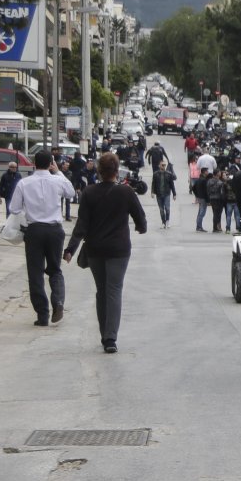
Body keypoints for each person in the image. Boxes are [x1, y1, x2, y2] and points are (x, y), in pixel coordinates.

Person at [64, 152, 147, 354]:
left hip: (96, 249)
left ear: (99, 172)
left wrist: (70, 249)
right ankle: (111, 338)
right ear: (117, 171)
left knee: (101, 291)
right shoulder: (126, 192)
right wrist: (140, 228)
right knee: (114, 291)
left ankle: (104, 334)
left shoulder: (89, 193)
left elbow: (81, 225)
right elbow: (141, 221)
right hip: (119, 250)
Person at [6, 150, 75, 326]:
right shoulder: (58, 180)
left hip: (34, 230)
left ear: (34, 163)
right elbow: (71, 193)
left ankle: (42, 315)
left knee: (35, 272)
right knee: (55, 269)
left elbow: (14, 208)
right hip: (55, 230)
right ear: (51, 163)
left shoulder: (24, 183)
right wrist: (58, 171)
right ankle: (58, 302)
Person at [151, 161, 177, 227]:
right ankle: (163, 222)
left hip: (167, 194)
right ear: (159, 165)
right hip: (159, 194)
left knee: (167, 208)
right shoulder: (155, 174)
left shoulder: (169, 174)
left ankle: (167, 221)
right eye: (162, 165)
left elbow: (172, 185)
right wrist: (152, 192)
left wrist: (174, 194)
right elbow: (153, 184)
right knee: (161, 209)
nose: (164, 166)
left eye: (164, 165)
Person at [205, 166, 229, 232]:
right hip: (219, 199)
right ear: (218, 173)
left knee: (215, 212)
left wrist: (209, 197)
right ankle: (216, 227)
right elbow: (222, 192)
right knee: (218, 213)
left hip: (212, 198)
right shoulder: (220, 182)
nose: (220, 173)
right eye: (219, 172)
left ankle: (215, 227)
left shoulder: (209, 181)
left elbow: (207, 190)